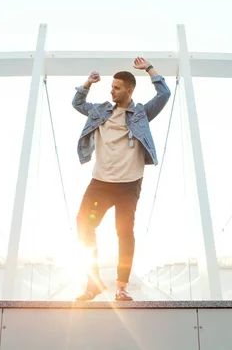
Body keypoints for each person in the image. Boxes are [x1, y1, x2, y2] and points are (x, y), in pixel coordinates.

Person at [71, 57, 171, 301]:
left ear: (129, 90)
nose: (112, 91)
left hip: (128, 184)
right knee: (84, 224)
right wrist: (88, 82)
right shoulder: (100, 111)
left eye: (116, 88)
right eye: (111, 87)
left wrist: (149, 69)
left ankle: (121, 287)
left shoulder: (141, 114)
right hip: (101, 183)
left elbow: (164, 93)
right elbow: (77, 102)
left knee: (124, 233)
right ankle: (93, 282)